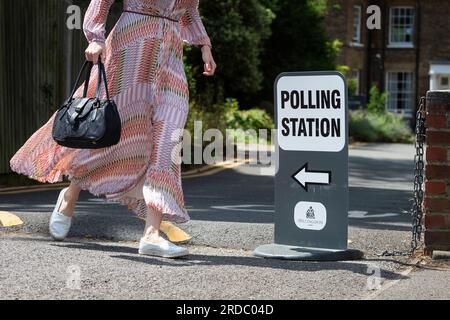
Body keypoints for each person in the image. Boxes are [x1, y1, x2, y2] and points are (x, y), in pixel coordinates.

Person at [9, 0, 216, 258]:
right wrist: (95, 37)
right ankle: (70, 194)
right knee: (107, 135)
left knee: (168, 142)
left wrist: (204, 45)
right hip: (129, 50)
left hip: (170, 61)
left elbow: (190, 11)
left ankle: (151, 234)